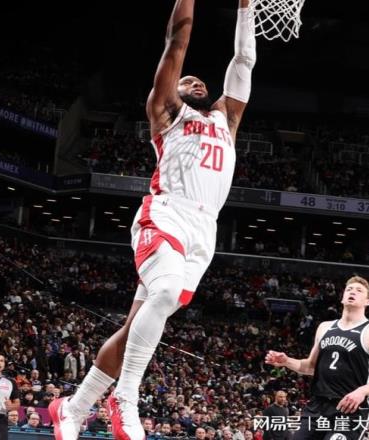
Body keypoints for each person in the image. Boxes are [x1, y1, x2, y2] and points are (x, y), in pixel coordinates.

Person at [49, 0, 256, 439]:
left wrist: (245, 7)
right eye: (187, 80)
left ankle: (73, 407)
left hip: (205, 232)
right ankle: (125, 398)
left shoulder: (227, 118)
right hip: (166, 214)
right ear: (172, 89)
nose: (196, 81)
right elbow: (176, 41)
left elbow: (243, 59)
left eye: (201, 80)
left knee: (137, 327)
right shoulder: (167, 113)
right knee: (164, 293)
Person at [265, 276, 369, 440]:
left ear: (368, 301)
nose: (352, 292)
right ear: (342, 297)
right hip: (318, 406)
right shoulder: (325, 327)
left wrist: (362, 391)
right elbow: (310, 366)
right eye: (349, 289)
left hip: (350, 408)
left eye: (359, 290)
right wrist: (286, 361)